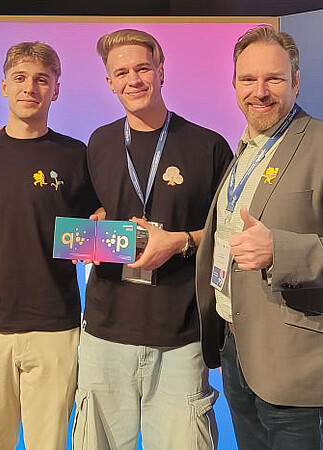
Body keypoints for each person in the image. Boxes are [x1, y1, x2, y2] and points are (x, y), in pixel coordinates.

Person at [195, 25, 323, 449]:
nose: (260, 91)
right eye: (248, 79)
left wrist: (280, 250)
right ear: (234, 84)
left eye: (274, 79)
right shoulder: (246, 149)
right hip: (237, 349)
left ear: (296, 81)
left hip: (300, 363)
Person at [74, 29, 232, 450]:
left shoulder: (208, 146)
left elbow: (227, 233)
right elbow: (95, 211)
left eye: (143, 68)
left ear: (161, 71)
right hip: (104, 331)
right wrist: (96, 225)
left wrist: (180, 241)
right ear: (109, 82)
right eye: (120, 72)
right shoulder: (100, 142)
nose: (134, 80)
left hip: (181, 334)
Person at [0, 41, 98, 449]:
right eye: (20, 78)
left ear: (56, 89)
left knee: (48, 443)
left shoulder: (77, 155)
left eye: (42, 79)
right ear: (4, 86)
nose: (30, 88)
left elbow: (96, 221)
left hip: (56, 325)